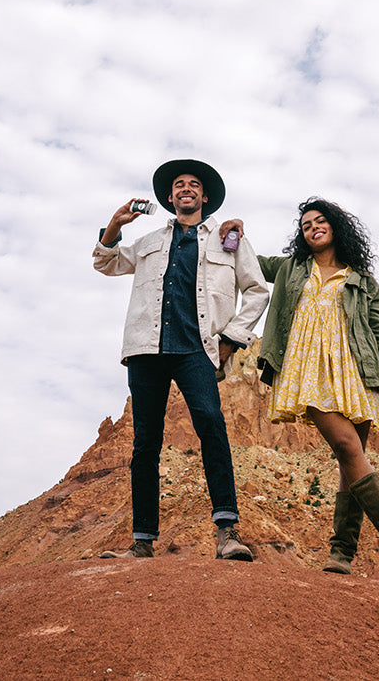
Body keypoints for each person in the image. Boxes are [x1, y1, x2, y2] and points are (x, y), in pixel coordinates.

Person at [93, 159, 269, 561]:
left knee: (211, 428)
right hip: (146, 350)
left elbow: (257, 291)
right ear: (170, 197)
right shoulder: (149, 240)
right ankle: (142, 541)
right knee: (145, 444)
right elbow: (105, 262)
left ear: (204, 197)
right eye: (178, 185)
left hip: (197, 351)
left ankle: (227, 534)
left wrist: (231, 340)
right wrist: (116, 224)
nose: (186, 189)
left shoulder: (230, 239)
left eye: (194, 184)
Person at [247, 198, 379, 583]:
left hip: (355, 371)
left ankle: (341, 553)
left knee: (351, 460)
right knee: (346, 448)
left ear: (336, 226)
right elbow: (249, 263)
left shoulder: (362, 280)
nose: (313, 228)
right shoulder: (291, 268)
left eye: (320, 221)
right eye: (306, 225)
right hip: (307, 371)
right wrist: (230, 232)